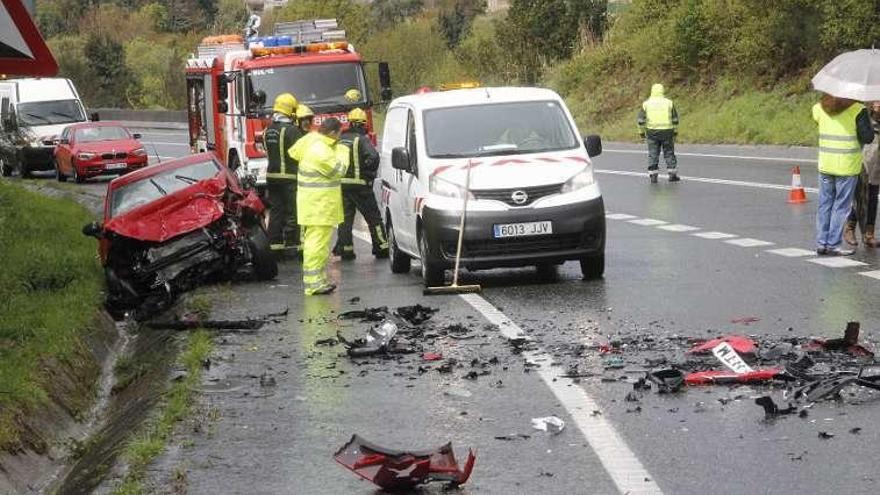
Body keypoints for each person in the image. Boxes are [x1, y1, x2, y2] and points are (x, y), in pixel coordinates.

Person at [289, 117, 349, 295]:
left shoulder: (312, 142)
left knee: (319, 244)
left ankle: (318, 280)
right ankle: (313, 283)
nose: (339, 138)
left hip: (316, 204)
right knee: (316, 244)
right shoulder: (321, 150)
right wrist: (343, 152)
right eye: (339, 134)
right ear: (332, 133)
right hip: (319, 205)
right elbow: (338, 171)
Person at [813, 94, 875, 256]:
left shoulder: (819, 107)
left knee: (824, 204)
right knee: (841, 206)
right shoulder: (857, 110)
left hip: (826, 164)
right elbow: (868, 137)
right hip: (847, 166)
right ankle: (833, 245)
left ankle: (822, 243)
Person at [332, 108, 388, 260]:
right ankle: (381, 247)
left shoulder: (340, 138)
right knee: (374, 218)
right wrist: (368, 174)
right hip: (361, 186)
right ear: (363, 124)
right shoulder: (362, 139)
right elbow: (374, 157)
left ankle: (345, 250)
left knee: (345, 219)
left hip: (342, 185)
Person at [263, 93, 302, 253]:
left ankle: (275, 244)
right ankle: (292, 242)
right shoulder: (292, 131)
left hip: (272, 177)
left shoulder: (268, 130)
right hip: (290, 178)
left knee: (275, 211)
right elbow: (300, 153)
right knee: (293, 210)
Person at [844, 101, 880, 247]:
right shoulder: (863, 116)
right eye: (877, 101)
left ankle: (869, 234)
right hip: (863, 160)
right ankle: (849, 228)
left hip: (877, 164)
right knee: (861, 197)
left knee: (873, 197)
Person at [637, 83, 680, 183]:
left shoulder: (646, 104)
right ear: (662, 91)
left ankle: (653, 175)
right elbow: (675, 119)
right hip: (667, 131)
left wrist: (641, 133)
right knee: (669, 152)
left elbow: (640, 121)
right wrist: (675, 132)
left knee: (653, 153)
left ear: (652, 91)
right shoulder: (669, 103)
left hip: (652, 132)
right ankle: (672, 174)